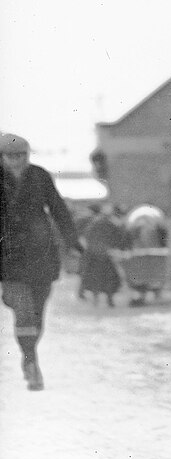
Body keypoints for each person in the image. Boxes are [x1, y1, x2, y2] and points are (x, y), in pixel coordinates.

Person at [0, 133, 84, 390]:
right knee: (24, 310)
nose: (16, 162)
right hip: (9, 256)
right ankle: (31, 361)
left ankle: (29, 356)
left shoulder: (40, 176)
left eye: (21, 156)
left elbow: (58, 209)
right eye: (10, 156)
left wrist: (72, 242)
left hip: (40, 254)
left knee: (37, 314)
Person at [79, 202, 132, 306]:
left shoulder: (94, 223)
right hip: (104, 255)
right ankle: (109, 299)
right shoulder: (111, 224)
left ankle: (96, 299)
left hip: (93, 254)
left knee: (95, 278)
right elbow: (118, 238)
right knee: (109, 278)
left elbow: (88, 236)